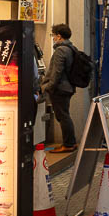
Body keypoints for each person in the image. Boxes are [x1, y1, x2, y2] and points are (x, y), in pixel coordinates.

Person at [41, 24, 77, 153]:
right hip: (67, 87)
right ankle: (70, 142)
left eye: (54, 35)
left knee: (63, 116)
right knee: (64, 115)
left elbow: (57, 72)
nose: (53, 38)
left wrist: (47, 87)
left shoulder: (61, 50)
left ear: (59, 36)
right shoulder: (71, 48)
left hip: (60, 89)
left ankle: (68, 144)